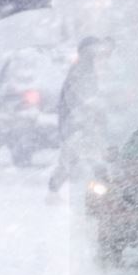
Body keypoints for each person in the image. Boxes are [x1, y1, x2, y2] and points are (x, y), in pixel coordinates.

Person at [47, 36, 114, 205]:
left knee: (77, 160)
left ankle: (54, 192)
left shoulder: (85, 69)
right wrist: (93, 110)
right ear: (86, 51)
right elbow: (78, 100)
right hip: (79, 126)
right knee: (88, 159)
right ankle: (104, 193)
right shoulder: (80, 71)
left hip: (80, 126)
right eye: (94, 50)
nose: (97, 54)